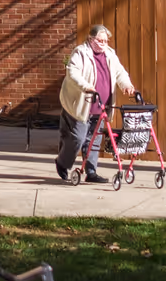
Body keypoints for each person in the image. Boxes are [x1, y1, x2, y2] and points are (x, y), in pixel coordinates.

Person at [57, 24, 136, 183]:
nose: (103, 44)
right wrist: (85, 86)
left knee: (94, 141)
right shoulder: (81, 53)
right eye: (99, 40)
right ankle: (62, 163)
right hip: (81, 105)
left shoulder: (110, 54)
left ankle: (91, 172)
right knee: (77, 139)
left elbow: (120, 72)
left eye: (106, 41)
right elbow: (73, 72)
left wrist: (127, 86)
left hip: (101, 106)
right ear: (91, 39)